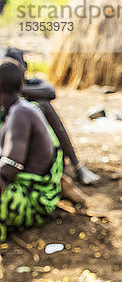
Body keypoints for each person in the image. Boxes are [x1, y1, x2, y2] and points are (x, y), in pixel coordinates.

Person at [3, 47, 100, 186]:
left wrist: (14, 88)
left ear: (24, 68)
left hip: (29, 148)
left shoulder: (27, 89)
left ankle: (76, 165)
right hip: (12, 150)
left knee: (44, 106)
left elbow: (51, 92)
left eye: (15, 66)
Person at [0, 61, 63, 242]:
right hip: (31, 194)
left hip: (32, 201)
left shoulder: (21, 114)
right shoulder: (18, 110)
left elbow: (9, 169)